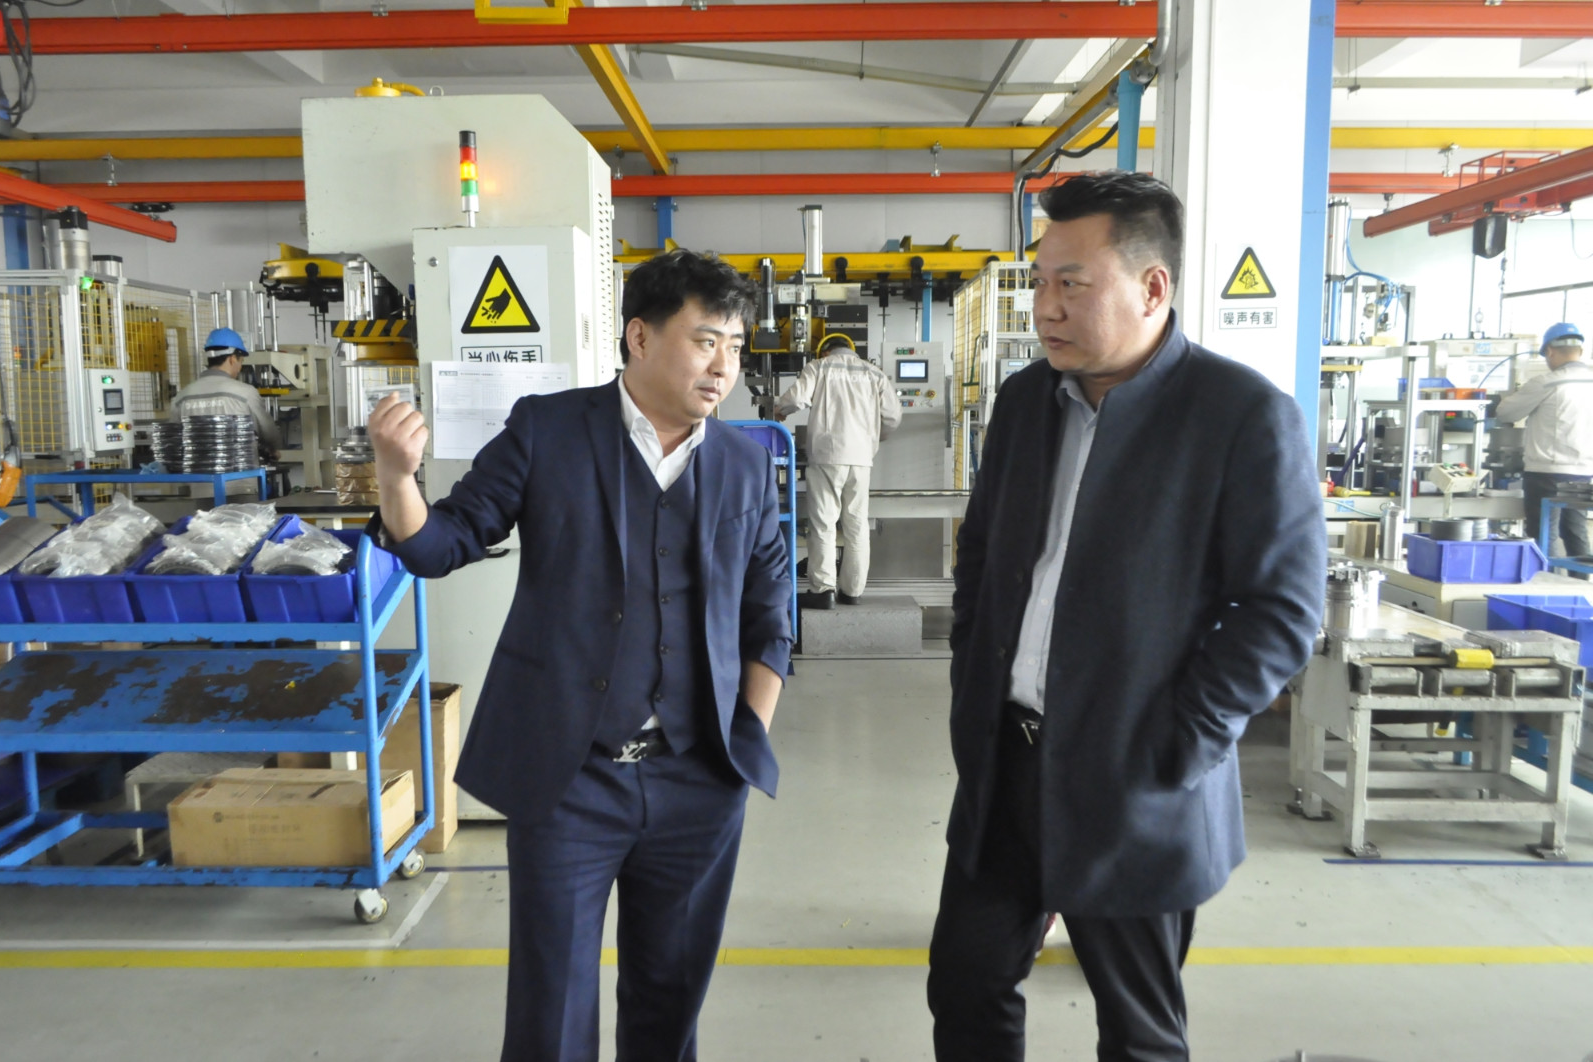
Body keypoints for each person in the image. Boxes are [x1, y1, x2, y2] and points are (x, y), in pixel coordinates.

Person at [926, 170, 1325, 1062]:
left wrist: (1183, 738)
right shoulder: (1026, 403)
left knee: (1138, 1030)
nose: (1046, 306)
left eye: (1073, 283)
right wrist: (972, 677)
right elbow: (983, 555)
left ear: (1152, 287)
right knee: (964, 985)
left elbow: (1282, 607)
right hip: (1007, 764)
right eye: (1040, 281)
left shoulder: (1240, 415)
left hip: (1136, 777)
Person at [366, 250, 793, 1062]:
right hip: (570, 777)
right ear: (640, 336)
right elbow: (442, 543)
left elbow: (769, 610)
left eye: (735, 346)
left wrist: (747, 734)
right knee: (552, 1010)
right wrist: (396, 478)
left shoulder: (743, 462)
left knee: (671, 1001)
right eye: (706, 341)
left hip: (699, 778)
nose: (724, 367)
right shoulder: (550, 430)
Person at [773, 332, 903, 609]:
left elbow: (796, 398)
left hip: (828, 455)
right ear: (851, 350)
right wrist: (872, 437)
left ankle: (823, 591)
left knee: (824, 523)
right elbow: (893, 416)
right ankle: (852, 592)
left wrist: (779, 410)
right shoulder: (874, 373)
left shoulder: (819, 367)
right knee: (856, 524)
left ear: (825, 351)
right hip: (862, 459)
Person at [1494, 322, 1591, 558]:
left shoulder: (1548, 382)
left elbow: (1505, 413)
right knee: (1575, 530)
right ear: (1580, 350)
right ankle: (1580, 580)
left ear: (1549, 351)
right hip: (1584, 471)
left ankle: (1546, 578)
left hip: (1547, 472)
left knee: (1543, 533)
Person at [171, 327, 284, 456]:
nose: (240, 367)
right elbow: (269, 433)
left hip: (196, 468)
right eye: (241, 361)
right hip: (240, 468)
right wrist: (273, 449)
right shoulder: (245, 393)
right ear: (232, 359)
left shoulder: (182, 396)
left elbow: (173, 437)